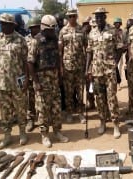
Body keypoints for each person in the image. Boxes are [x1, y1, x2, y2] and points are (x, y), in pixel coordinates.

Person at [28, 15, 69, 147]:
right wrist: (36, 82)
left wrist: (60, 75)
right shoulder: (36, 41)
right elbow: (30, 63)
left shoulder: (55, 39)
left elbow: (58, 58)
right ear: (43, 28)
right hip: (41, 79)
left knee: (56, 107)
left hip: (54, 79)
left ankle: (57, 131)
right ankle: (44, 135)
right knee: (42, 109)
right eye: (50, 30)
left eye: (54, 29)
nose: (52, 32)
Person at [0, 13, 29, 149]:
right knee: (5, 111)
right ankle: (7, 136)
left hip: (18, 81)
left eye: (6, 23)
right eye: (1, 23)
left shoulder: (20, 40)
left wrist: (26, 80)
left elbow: (26, 62)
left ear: (12, 25)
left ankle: (22, 132)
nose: (3, 26)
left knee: (21, 108)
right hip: (2, 82)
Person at [86, 7, 121, 138]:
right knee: (99, 98)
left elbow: (119, 48)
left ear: (105, 17)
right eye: (97, 17)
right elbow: (89, 51)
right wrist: (87, 69)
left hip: (109, 71)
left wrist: (115, 63)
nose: (99, 19)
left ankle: (116, 124)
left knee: (111, 97)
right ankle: (102, 122)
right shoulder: (92, 33)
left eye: (101, 16)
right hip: (96, 71)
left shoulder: (113, 31)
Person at [59, 9, 86, 123]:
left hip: (80, 66)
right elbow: (60, 51)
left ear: (76, 16)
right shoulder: (63, 31)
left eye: (74, 16)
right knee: (68, 92)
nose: (72, 18)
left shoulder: (81, 30)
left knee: (80, 91)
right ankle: (70, 113)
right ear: (67, 17)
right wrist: (61, 67)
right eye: (70, 16)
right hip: (67, 66)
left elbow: (86, 47)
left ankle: (80, 113)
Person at [25, 16, 41, 132]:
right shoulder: (25, 40)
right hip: (28, 73)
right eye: (33, 28)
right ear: (29, 29)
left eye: (37, 27)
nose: (35, 29)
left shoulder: (42, 39)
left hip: (40, 74)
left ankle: (41, 120)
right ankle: (30, 119)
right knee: (29, 98)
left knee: (40, 98)